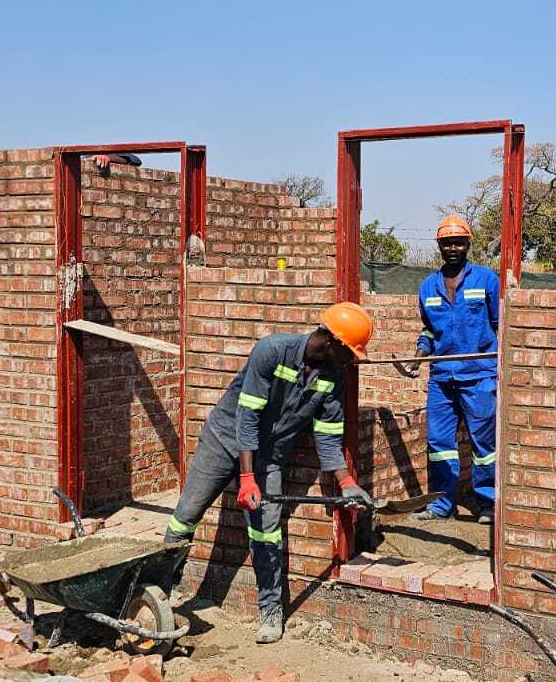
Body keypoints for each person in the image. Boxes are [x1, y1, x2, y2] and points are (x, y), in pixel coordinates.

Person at [164, 302, 376, 642]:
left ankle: (270, 610)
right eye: (349, 352)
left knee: (266, 532)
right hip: (224, 439)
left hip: (269, 456)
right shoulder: (272, 351)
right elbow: (247, 418)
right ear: (330, 340)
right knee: (185, 517)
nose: (351, 361)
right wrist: (247, 479)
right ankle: (160, 593)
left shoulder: (334, 377)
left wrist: (347, 482)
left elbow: (327, 436)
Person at [411, 215, 499, 522]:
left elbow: (500, 324)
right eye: (447, 243)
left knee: (484, 444)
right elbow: (429, 330)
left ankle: (487, 503)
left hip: (479, 376)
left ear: (468, 244)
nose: (452, 248)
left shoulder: (486, 280)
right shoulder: (427, 286)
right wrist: (419, 354)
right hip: (441, 378)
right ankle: (441, 504)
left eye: (458, 243)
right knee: (439, 444)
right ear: (439, 245)